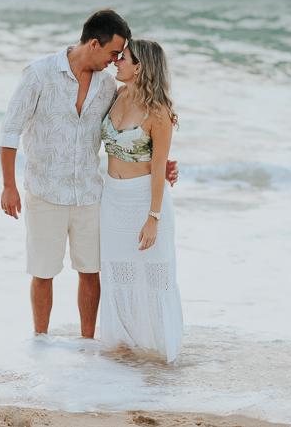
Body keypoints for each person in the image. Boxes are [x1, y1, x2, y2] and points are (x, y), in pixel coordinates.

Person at [0, 10, 177, 339]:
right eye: (113, 53)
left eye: (121, 56)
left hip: (92, 195)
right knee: (43, 272)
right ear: (94, 44)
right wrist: (8, 186)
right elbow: (10, 131)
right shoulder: (39, 74)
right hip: (44, 191)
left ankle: (87, 344)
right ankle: (40, 341)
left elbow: (133, 128)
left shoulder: (109, 86)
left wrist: (159, 161)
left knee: (91, 272)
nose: (115, 60)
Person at [99, 39, 183, 361]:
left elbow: (159, 167)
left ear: (140, 67)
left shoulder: (158, 112)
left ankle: (163, 358)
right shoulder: (117, 96)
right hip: (113, 202)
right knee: (118, 275)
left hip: (144, 202)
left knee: (156, 278)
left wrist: (154, 217)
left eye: (124, 58)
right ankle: (123, 350)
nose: (116, 62)